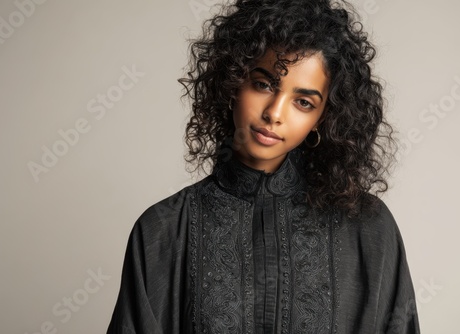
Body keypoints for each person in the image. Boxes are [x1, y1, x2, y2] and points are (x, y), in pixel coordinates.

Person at [106, 0, 421, 333]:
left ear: (322, 118)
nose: (275, 112)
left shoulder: (368, 229)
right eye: (264, 84)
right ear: (233, 82)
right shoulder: (163, 232)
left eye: (303, 102)